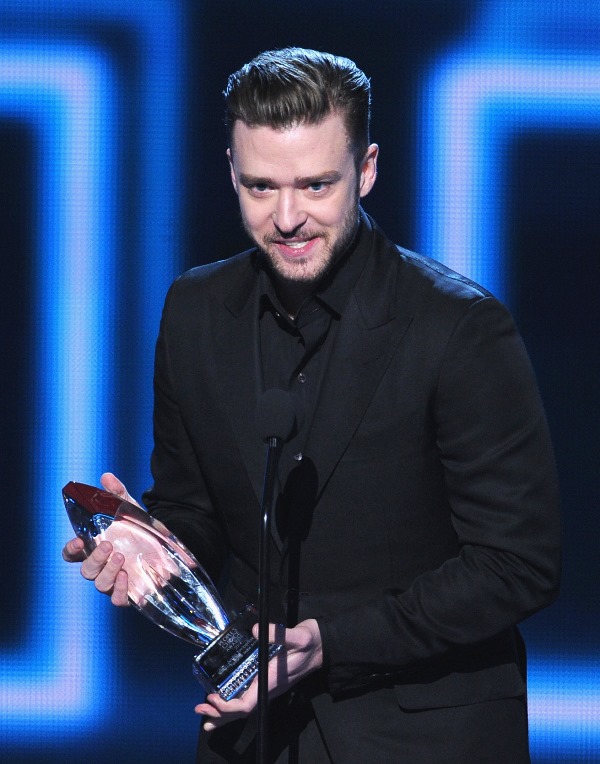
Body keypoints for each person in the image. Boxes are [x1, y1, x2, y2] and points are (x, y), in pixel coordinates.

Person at [62, 47, 561, 763]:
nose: (288, 217)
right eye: (261, 187)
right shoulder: (196, 310)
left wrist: (330, 644)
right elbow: (198, 508)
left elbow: (518, 563)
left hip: (422, 738)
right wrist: (154, 547)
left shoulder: (458, 327)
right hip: (254, 732)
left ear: (367, 169)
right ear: (231, 172)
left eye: (317, 185)